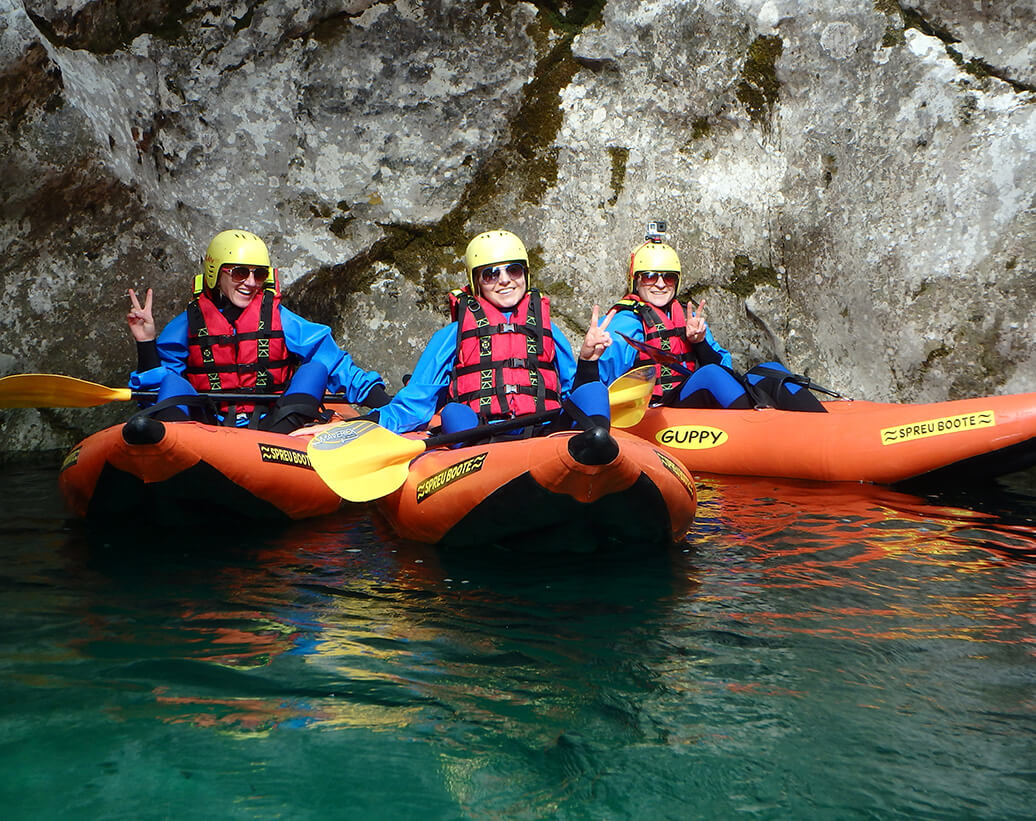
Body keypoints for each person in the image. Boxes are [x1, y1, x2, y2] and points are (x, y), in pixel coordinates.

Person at [126, 229, 391, 433]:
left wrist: (386, 404)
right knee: (173, 382)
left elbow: (334, 362)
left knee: (316, 369)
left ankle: (274, 450)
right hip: (205, 426)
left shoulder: (279, 318)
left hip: (276, 425)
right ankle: (177, 448)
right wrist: (146, 342)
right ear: (215, 273)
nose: (250, 283)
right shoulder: (187, 324)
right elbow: (154, 393)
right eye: (240, 273)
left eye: (259, 274)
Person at [370, 229, 614, 435]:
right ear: (476, 282)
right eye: (491, 274)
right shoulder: (452, 335)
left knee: (595, 391)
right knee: (455, 413)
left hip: (544, 432)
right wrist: (368, 424)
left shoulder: (548, 329)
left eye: (514, 270)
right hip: (481, 439)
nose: (505, 280)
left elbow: (574, 396)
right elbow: (414, 404)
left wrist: (588, 362)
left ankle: (598, 456)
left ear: (525, 275)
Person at [597, 223, 826, 411]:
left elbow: (725, 369)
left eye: (668, 277)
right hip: (654, 413)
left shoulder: (689, 318)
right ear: (635, 281)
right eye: (649, 277)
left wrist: (700, 343)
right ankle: (758, 426)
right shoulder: (623, 324)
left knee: (770, 369)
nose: (660, 284)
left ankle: (820, 422)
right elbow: (601, 385)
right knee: (711, 375)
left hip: (691, 404)